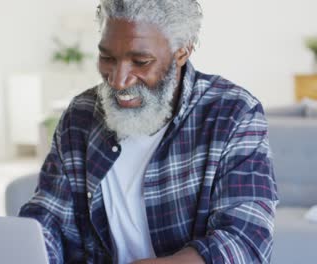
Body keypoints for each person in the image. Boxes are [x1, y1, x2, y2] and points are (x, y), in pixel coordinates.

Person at [20, 0, 279, 263]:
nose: (118, 80)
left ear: (182, 52)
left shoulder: (233, 114)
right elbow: (48, 215)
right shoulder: (81, 116)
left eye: (140, 61)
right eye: (107, 58)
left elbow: (245, 242)